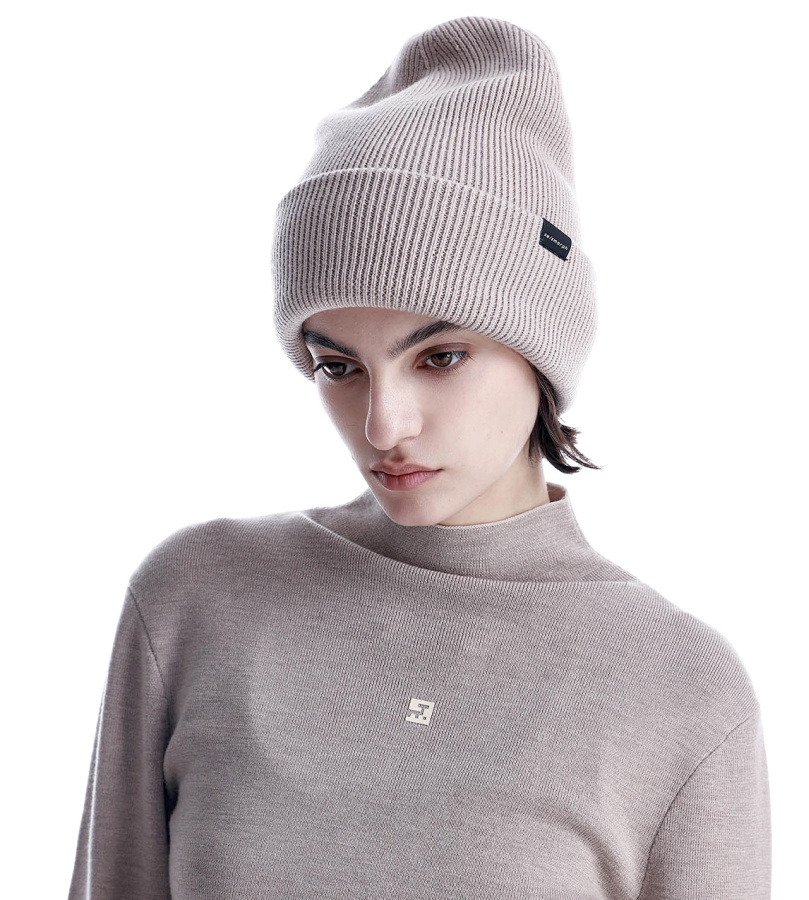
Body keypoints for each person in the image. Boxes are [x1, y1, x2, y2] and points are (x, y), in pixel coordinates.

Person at [68, 15, 771, 899]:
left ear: (540, 348)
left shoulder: (680, 688)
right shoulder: (197, 600)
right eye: (338, 366)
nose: (382, 425)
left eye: (439, 357)